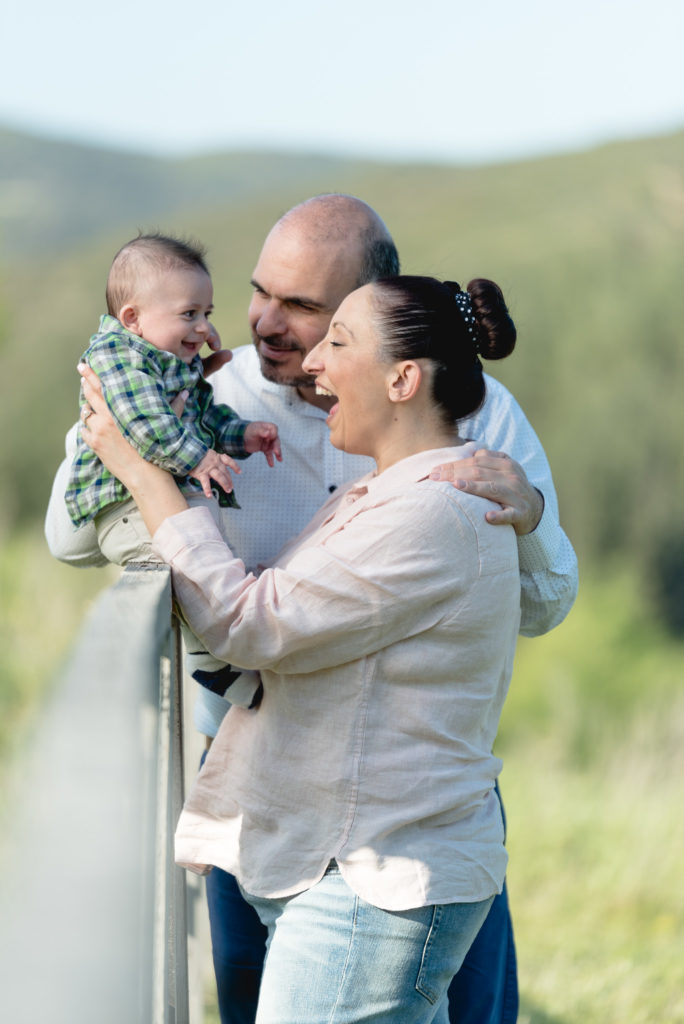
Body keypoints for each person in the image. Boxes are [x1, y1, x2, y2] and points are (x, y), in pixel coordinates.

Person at [45, 195, 578, 1024]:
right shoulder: (195, 386)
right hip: (260, 778)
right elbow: (71, 541)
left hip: (406, 814)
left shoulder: (475, 421)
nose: (263, 322)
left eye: (307, 310)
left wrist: (533, 519)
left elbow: (542, 605)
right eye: (260, 292)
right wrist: (120, 423)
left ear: (375, 314)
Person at [64, 232, 281, 681]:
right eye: (189, 314)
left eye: (207, 313)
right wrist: (201, 461)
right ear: (133, 318)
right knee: (185, 569)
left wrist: (244, 435)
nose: (203, 328)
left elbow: (205, 418)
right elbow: (148, 427)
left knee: (202, 563)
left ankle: (211, 658)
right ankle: (209, 662)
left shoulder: (170, 366)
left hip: (157, 501)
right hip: (125, 507)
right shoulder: (118, 357)